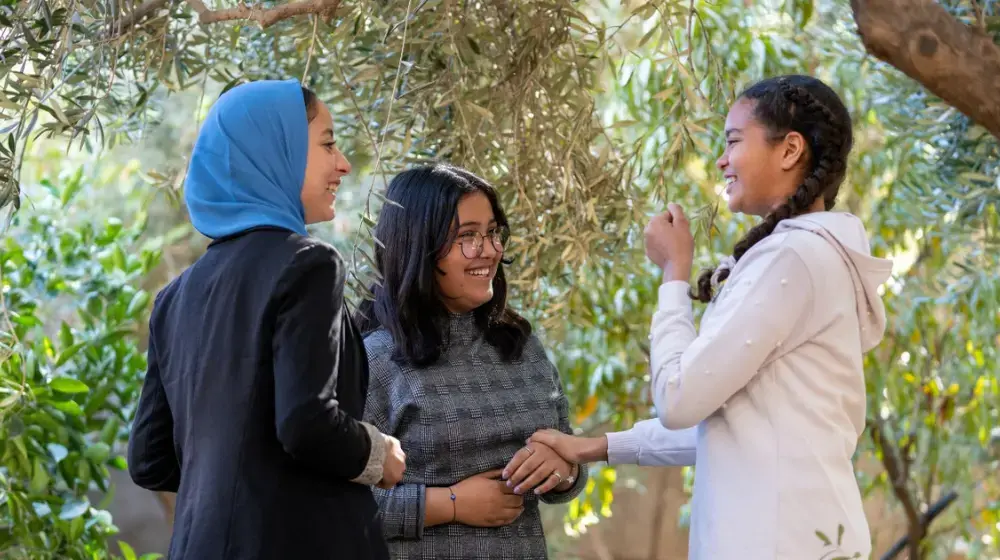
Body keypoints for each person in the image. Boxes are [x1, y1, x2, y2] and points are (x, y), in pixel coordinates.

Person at [526, 74, 892, 559]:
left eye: (734, 141)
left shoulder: (792, 259)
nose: (722, 160)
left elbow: (679, 400)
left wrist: (674, 275)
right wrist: (596, 446)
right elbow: (730, 426)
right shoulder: (809, 256)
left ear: (789, 150)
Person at [126, 79, 406, 560]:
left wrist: (236, 474)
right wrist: (377, 454)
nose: (343, 164)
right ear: (277, 149)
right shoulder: (308, 264)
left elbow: (149, 460)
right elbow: (305, 422)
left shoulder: (175, 297)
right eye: (327, 143)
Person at [355, 164, 588, 560]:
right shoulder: (374, 359)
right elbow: (333, 502)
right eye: (467, 236)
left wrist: (562, 470)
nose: (491, 249)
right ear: (418, 248)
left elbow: (572, 469)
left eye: (493, 232)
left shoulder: (522, 347)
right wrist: (450, 504)